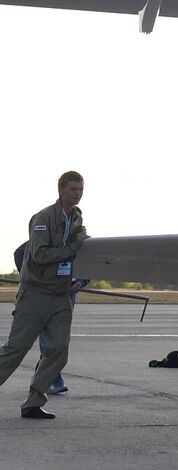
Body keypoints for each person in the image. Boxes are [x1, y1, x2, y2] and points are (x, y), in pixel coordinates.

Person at [1, 171, 88, 419]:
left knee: (59, 350)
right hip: (35, 294)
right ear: (60, 190)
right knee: (15, 350)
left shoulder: (76, 217)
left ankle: (34, 401)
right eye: (73, 189)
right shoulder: (43, 218)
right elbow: (39, 255)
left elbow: (72, 255)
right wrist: (73, 247)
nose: (78, 193)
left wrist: (75, 278)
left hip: (61, 295)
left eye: (81, 189)